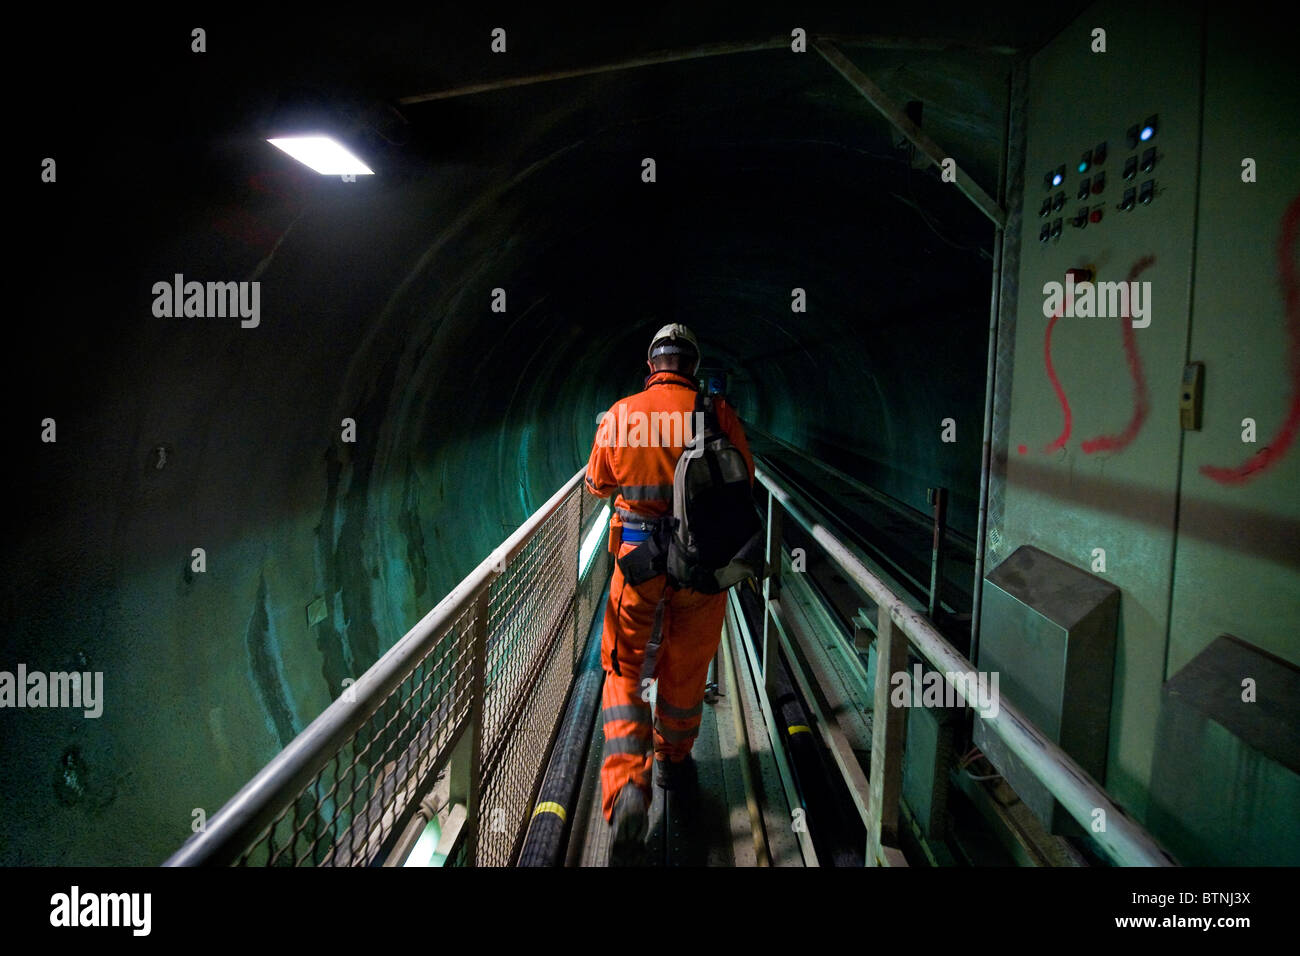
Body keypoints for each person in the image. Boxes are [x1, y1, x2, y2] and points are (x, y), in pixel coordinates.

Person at [583, 323, 754, 864]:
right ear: (692, 366)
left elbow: (597, 482)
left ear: (651, 365)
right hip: (701, 569)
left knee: (624, 669)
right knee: (684, 671)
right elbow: (741, 481)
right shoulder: (715, 413)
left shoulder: (621, 414)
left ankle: (627, 789)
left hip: (636, 566)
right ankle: (673, 761)